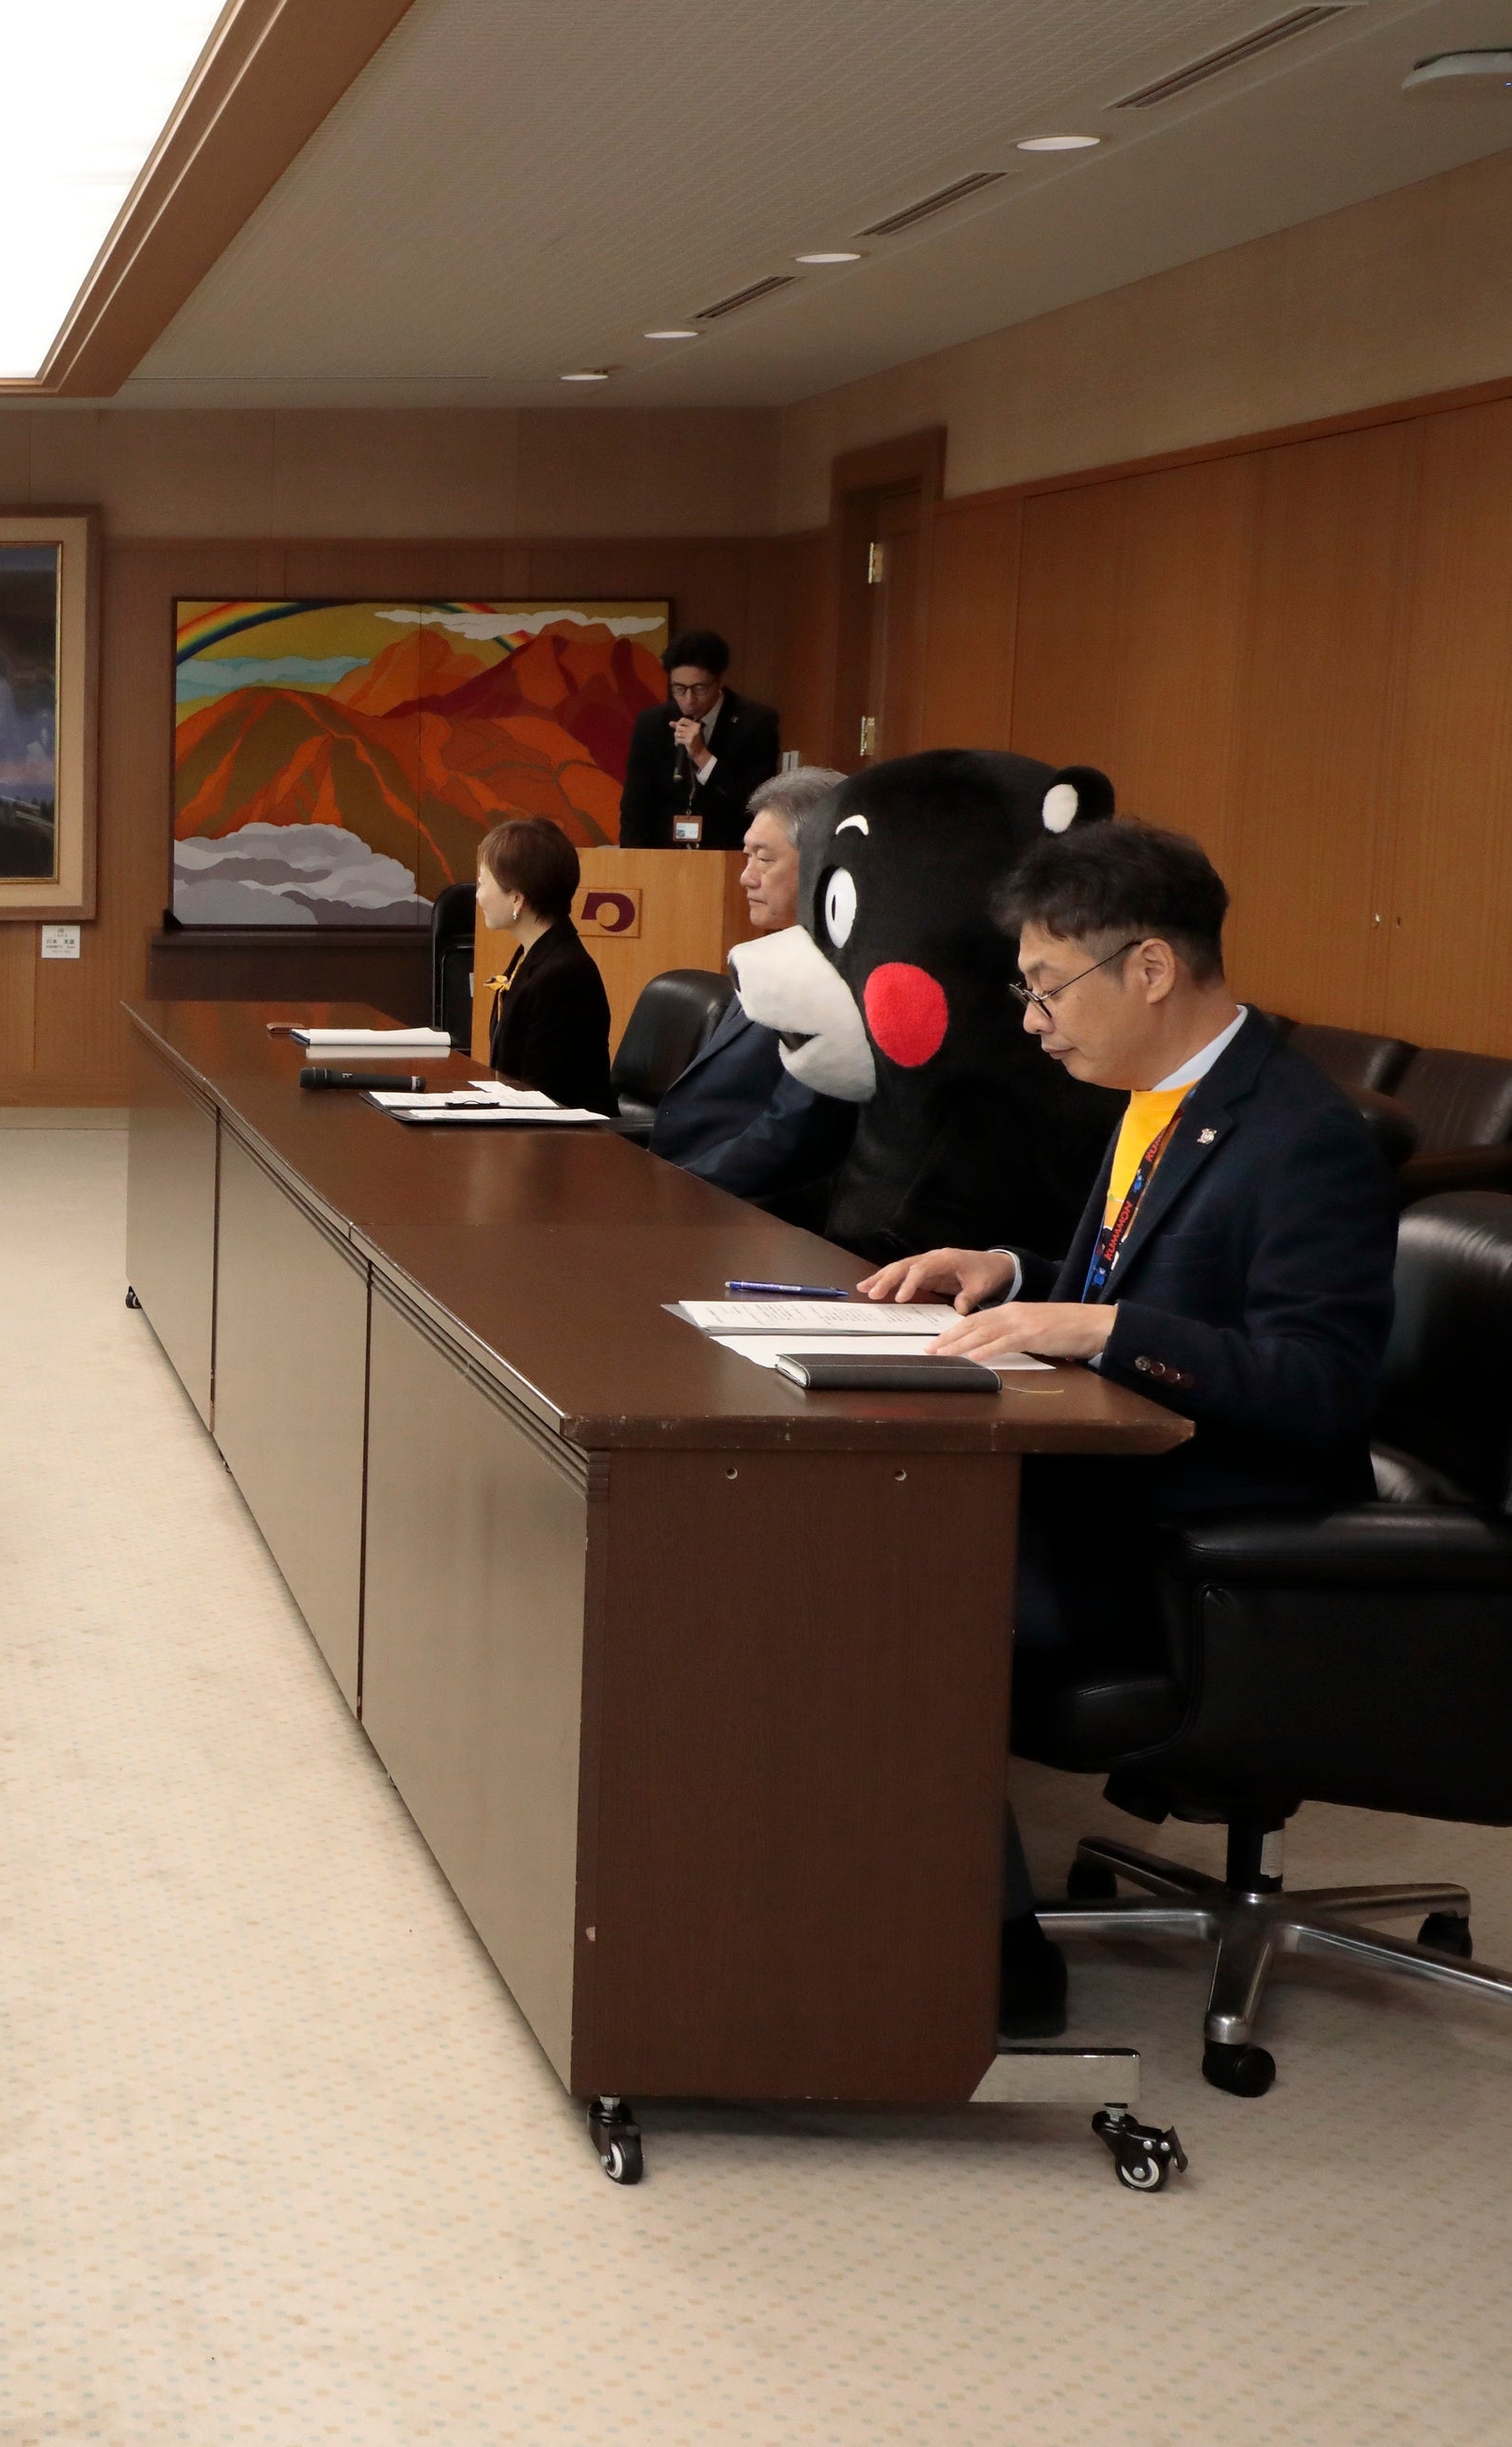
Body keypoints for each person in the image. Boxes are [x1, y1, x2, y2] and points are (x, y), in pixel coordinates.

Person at [855, 822, 1393, 2037]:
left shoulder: (1307, 1138)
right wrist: (1010, 1272)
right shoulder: (1164, 1099)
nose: (1033, 1022)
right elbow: (1140, 1286)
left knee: (907, 1592)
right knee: (878, 1540)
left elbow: (1318, 1383)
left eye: (1048, 988)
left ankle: (994, 1961)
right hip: (1112, 1499)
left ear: (1149, 968)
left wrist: (1100, 1328)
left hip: (1210, 1550)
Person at [647, 766, 860, 1211]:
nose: (746, 876)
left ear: (823, 863)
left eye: (764, 859)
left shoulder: (836, 983)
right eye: (747, 856)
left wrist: (673, 1191)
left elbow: (789, 1134)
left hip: (744, 1210)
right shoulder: (773, 955)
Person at [475, 818, 612, 1113]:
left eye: (482, 883)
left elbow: (544, 1097)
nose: (478, 896)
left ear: (516, 898)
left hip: (565, 1137)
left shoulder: (563, 975)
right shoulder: (532, 955)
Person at [617, 630, 783, 850]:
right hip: (663, 855)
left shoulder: (756, 722)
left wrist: (702, 756)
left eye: (699, 688)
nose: (689, 700)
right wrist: (633, 858)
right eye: (679, 689)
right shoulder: (652, 723)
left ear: (719, 681)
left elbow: (756, 803)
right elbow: (634, 805)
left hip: (728, 852)